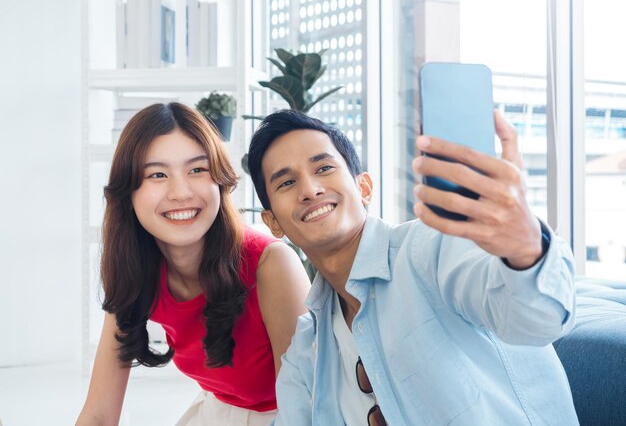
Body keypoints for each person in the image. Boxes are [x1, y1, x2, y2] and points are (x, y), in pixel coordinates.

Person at [247, 110, 579, 425]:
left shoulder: (432, 248)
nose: (310, 190)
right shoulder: (307, 349)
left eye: (323, 169)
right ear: (272, 222)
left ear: (364, 188)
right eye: (286, 183)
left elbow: (540, 320)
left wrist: (525, 247)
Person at [77, 103, 310, 426]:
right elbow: (99, 415)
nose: (181, 192)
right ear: (128, 193)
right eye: (157, 174)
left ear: (219, 180)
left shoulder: (271, 264)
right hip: (217, 411)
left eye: (197, 170)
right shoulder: (136, 270)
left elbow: (308, 408)